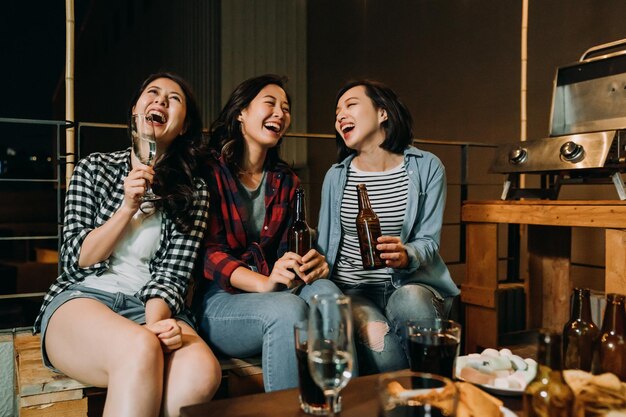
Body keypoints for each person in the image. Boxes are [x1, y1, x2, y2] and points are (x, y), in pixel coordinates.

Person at [33, 72, 221, 417]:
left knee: (201, 374)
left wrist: (155, 324)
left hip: (154, 307)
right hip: (84, 298)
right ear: (135, 110)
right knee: (139, 348)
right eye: (152, 93)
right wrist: (126, 208)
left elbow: (172, 275)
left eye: (174, 98)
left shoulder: (194, 192)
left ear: (183, 127)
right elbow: (76, 258)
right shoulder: (94, 168)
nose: (161, 100)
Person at [193, 74, 341, 392]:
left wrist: (310, 265)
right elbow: (210, 254)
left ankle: (334, 405)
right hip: (221, 301)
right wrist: (265, 283)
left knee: (329, 295)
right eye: (270, 103)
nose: (280, 113)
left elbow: (290, 249)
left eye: (285, 108)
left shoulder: (286, 180)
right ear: (241, 112)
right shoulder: (208, 170)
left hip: (275, 291)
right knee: (287, 310)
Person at [316, 80, 460, 375]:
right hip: (355, 290)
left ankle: (437, 397)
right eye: (336, 112)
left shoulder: (427, 166)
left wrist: (406, 254)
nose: (340, 115)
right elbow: (324, 243)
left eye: (351, 105)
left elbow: (429, 240)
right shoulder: (336, 176)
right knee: (388, 358)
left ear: (383, 113)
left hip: (409, 283)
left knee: (412, 305)